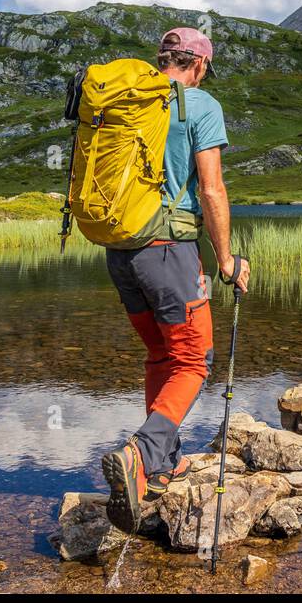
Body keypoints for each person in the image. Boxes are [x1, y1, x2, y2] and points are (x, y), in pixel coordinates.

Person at [100, 27, 251, 534]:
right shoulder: (201, 104)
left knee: (162, 355)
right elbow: (211, 188)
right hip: (168, 250)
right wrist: (226, 259)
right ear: (200, 64)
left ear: (161, 60)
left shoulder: (129, 101)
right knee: (194, 359)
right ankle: (141, 455)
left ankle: (160, 467)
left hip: (121, 252)